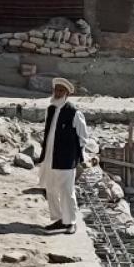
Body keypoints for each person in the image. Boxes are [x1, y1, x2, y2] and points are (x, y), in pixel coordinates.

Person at [37, 78, 89, 235]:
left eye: (61, 91)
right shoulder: (50, 109)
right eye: (56, 90)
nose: (57, 93)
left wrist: (76, 156)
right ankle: (60, 219)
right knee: (51, 190)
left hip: (66, 159)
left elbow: (83, 137)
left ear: (67, 93)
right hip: (49, 157)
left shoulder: (74, 112)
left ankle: (71, 222)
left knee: (67, 191)